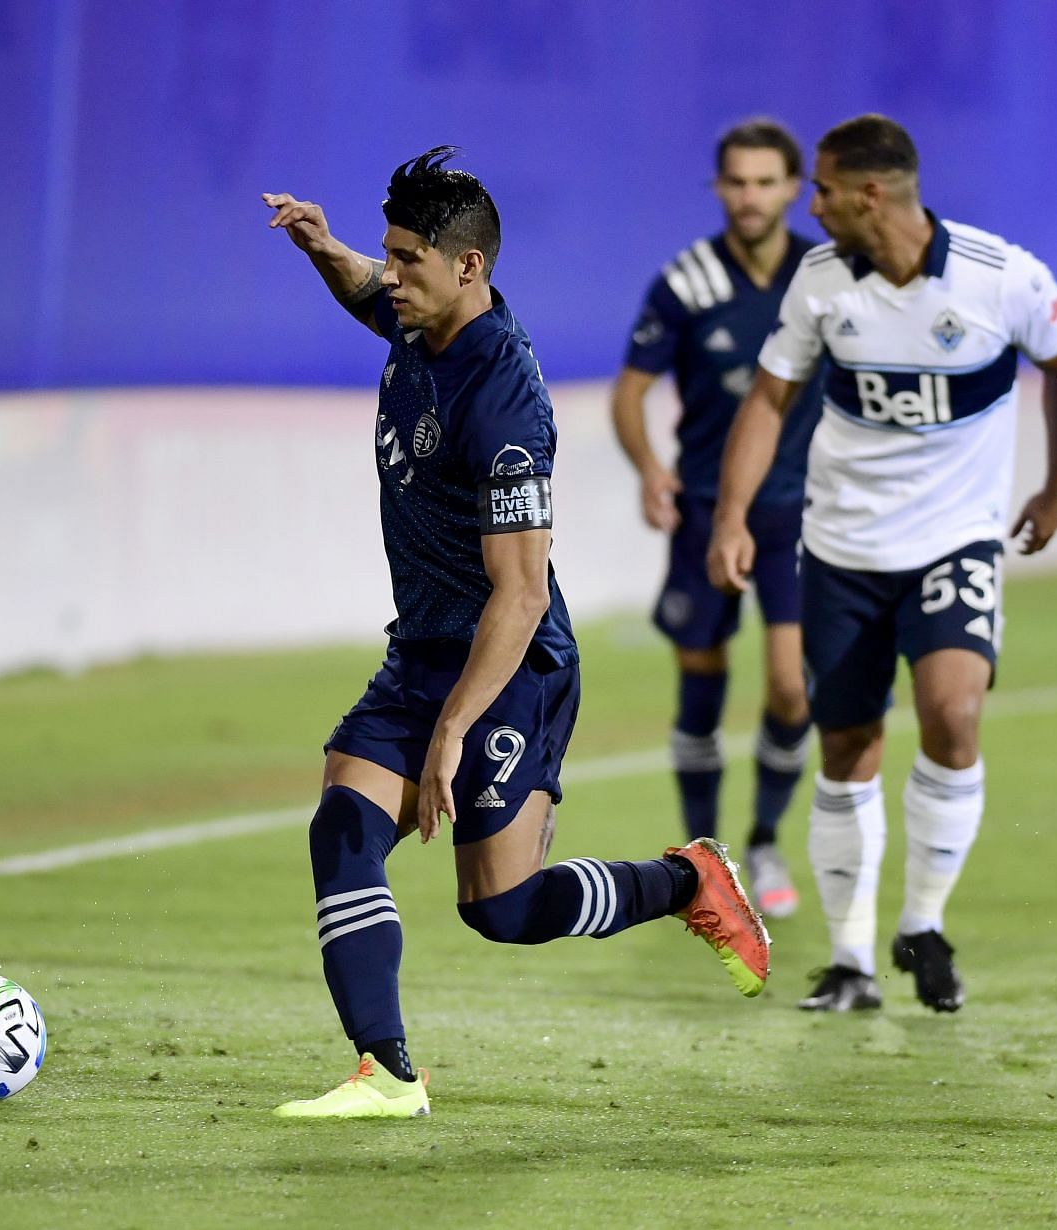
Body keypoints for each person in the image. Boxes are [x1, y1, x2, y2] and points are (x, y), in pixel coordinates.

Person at [260, 148, 770, 1120]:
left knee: (502, 909)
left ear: (471, 269)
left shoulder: (506, 400)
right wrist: (322, 248)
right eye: (389, 253)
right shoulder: (419, 315)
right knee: (342, 826)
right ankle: (387, 1071)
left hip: (511, 667)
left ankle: (685, 880)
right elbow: (367, 289)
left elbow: (524, 593)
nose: (391, 274)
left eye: (410, 260)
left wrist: (454, 729)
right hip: (422, 650)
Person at [706, 115, 1057, 1013]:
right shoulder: (821, 282)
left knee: (953, 713)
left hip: (954, 542)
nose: (812, 204)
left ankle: (922, 922)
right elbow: (769, 398)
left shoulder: (1002, 277)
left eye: (824, 189)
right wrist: (732, 515)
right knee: (846, 745)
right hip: (840, 549)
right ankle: (850, 960)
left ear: (869, 195)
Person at [611, 118, 826, 919]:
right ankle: (706, 858)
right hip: (705, 507)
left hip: (799, 513)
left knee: (788, 687)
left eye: (766, 182)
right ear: (718, 188)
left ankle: (764, 835)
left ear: (795, 189)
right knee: (701, 673)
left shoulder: (827, 273)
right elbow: (630, 390)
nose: (750, 197)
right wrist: (651, 468)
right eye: (736, 182)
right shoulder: (687, 280)